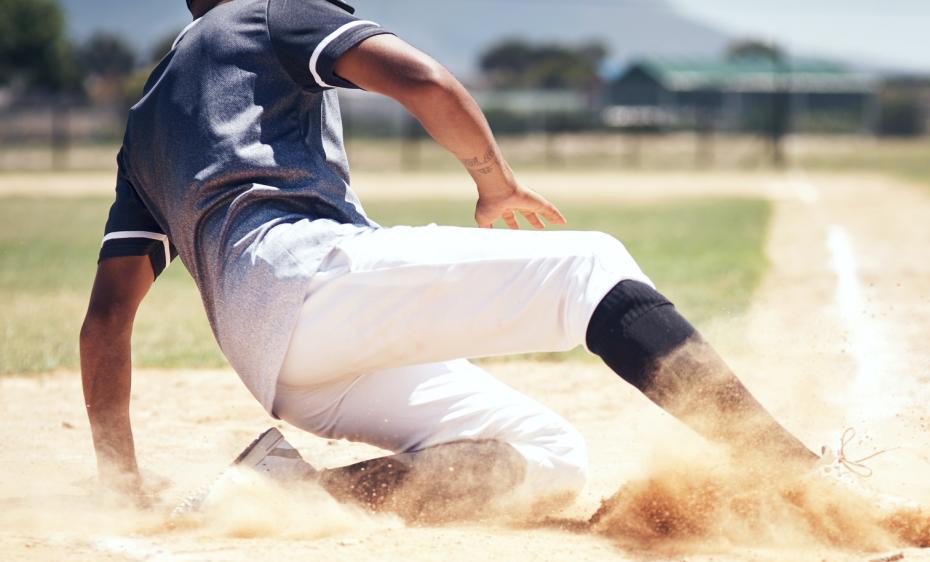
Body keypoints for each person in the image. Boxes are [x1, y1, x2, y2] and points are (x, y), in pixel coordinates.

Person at [81, 0, 887, 521]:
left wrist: (120, 475)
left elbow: (107, 321)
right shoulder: (261, 15)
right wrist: (493, 183)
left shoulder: (147, 119)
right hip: (310, 281)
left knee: (549, 455)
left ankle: (291, 490)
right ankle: (796, 473)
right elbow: (421, 79)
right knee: (589, 267)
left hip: (279, 366)